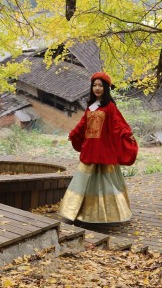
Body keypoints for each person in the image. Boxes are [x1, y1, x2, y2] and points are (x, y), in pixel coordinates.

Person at [58, 71, 136, 224]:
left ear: (106, 88)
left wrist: (126, 134)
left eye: (100, 85)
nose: (97, 88)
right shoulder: (91, 106)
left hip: (104, 149)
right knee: (83, 181)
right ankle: (81, 213)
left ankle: (110, 214)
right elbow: (83, 124)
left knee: (107, 182)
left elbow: (118, 124)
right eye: (95, 85)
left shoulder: (110, 107)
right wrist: (74, 133)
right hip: (90, 148)